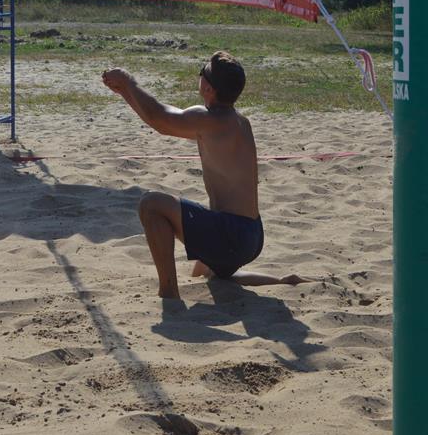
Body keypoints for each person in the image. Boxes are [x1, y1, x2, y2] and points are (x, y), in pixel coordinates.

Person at [101, 51, 309, 299]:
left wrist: (128, 81)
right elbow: (159, 121)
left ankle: (168, 292)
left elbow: (160, 118)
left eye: (202, 71)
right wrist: (125, 91)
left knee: (151, 204)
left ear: (208, 88)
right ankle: (283, 282)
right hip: (252, 234)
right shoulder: (238, 121)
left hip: (232, 234)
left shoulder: (209, 120)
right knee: (203, 271)